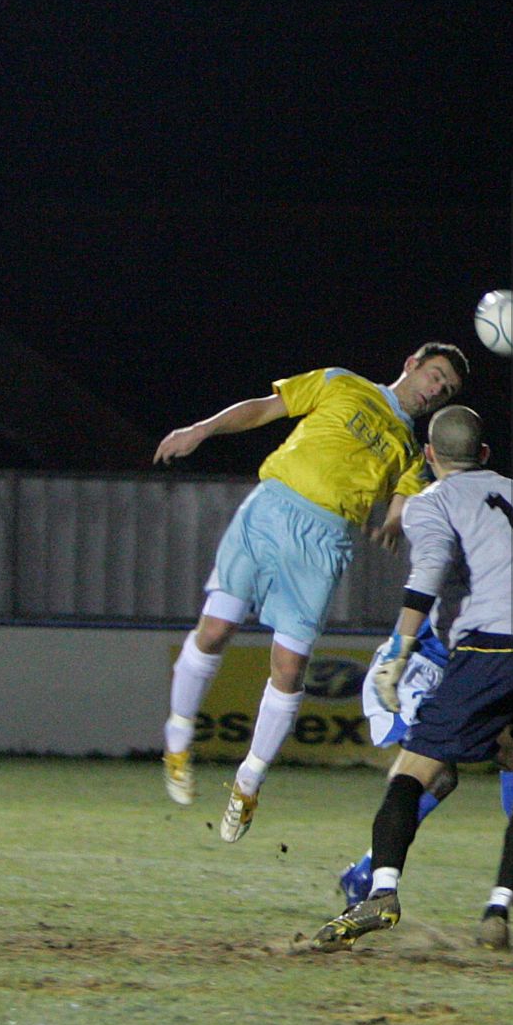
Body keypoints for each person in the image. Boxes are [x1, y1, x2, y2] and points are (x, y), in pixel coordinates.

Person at [153, 343, 469, 841]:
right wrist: (202, 429)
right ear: (411, 364)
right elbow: (265, 408)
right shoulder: (341, 382)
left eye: (446, 389)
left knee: (289, 667)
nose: (436, 390)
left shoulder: (410, 448)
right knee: (214, 630)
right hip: (270, 509)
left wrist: (392, 522)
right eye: (435, 376)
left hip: (324, 542)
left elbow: (403, 496)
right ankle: (177, 740)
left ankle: (249, 781)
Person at [309, 404, 513, 953]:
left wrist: (400, 649)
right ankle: (498, 910)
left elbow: (430, 569)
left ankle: (379, 892)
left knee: (413, 771)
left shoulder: (430, 500)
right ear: (484, 453)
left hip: (491, 647)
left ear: (428, 455)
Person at [338, 616, 513, 911]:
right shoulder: (474, 595)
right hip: (417, 670)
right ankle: (366, 874)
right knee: (432, 772)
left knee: (512, 754)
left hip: (463, 670)